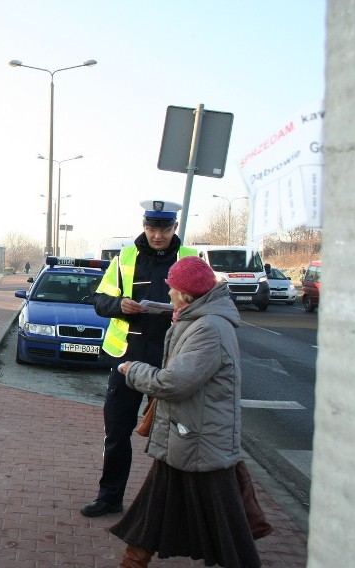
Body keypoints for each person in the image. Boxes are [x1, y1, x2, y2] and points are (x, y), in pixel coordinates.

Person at [110, 255, 260, 568]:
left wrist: (131, 369)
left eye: (172, 288)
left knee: (227, 526)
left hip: (200, 440)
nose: (168, 293)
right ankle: (132, 562)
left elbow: (175, 383)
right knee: (152, 509)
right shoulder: (196, 321)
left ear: (185, 294)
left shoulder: (208, 329)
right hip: (185, 434)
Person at [80, 200, 197, 518]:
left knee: (179, 437)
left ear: (175, 227)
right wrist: (120, 305)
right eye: (151, 228)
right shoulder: (124, 258)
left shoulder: (191, 259)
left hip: (173, 361)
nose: (157, 235)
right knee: (116, 432)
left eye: (164, 228)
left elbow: (210, 300)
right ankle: (109, 498)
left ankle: (176, 506)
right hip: (127, 360)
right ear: (144, 226)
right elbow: (100, 300)